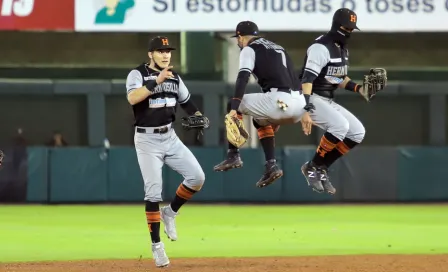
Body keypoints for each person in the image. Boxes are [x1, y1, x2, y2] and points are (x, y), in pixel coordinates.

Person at [126, 36, 207, 268]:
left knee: (197, 177)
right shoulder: (137, 74)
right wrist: (156, 81)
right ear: (150, 54)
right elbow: (133, 98)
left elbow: (188, 103)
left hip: (170, 137)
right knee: (153, 193)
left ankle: (170, 213)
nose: (165, 55)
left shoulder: (175, 77)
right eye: (160, 51)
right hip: (146, 139)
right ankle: (156, 246)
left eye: (168, 51)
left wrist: (198, 117)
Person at [214, 21, 313, 188]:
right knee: (259, 120)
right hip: (299, 104)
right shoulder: (278, 47)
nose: (238, 42)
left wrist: (234, 109)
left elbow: (243, 77)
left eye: (238, 38)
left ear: (241, 37)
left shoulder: (249, 48)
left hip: (279, 100)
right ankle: (271, 166)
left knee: (232, 103)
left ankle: (233, 154)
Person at [298, 8, 368, 195]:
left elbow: (336, 78)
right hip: (309, 96)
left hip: (327, 98)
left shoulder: (341, 49)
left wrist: (358, 88)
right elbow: (307, 79)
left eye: (352, 28)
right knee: (340, 125)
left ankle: (320, 167)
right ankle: (312, 166)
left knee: (357, 132)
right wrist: (305, 109)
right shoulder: (321, 47)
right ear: (337, 25)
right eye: (347, 27)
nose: (349, 32)